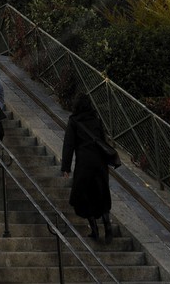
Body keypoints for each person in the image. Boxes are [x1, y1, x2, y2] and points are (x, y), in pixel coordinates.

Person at [62, 92, 121, 241]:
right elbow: (102, 139)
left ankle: (94, 229)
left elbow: (69, 145)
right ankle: (107, 226)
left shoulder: (74, 121)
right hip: (100, 163)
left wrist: (66, 167)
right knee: (101, 193)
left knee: (82, 195)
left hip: (84, 164)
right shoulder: (96, 119)